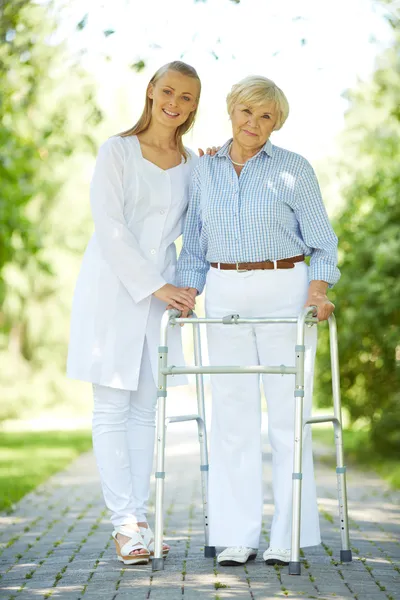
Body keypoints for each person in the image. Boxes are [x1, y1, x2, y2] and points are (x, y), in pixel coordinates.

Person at [177, 75, 340, 567]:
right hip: (224, 291)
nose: (254, 123)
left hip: (284, 291)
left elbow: (322, 243)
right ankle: (236, 534)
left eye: (265, 116)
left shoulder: (294, 169)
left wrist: (318, 290)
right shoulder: (202, 170)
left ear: (276, 124)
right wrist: (186, 295)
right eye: (246, 112)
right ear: (231, 112)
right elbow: (194, 243)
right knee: (231, 418)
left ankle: (288, 535)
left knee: (288, 420)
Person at [67, 61, 202, 565]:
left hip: (162, 300)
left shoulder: (193, 164)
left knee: (147, 409)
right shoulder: (117, 151)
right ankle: (123, 525)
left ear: (194, 106)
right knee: (111, 409)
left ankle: (142, 521)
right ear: (150, 91)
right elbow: (110, 226)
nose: (175, 102)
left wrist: (181, 290)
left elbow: (196, 230)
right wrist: (158, 286)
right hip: (112, 288)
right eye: (168, 90)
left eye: (187, 97)